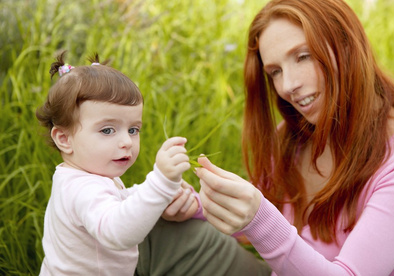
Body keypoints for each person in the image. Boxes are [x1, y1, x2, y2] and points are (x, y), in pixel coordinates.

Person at [196, 0, 394, 276]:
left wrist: (259, 219)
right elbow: (256, 226)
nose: (288, 85)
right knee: (166, 231)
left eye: (303, 56)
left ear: (346, 46)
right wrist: (195, 205)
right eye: (275, 72)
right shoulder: (294, 136)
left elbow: (269, 228)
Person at [36, 51, 271, 276]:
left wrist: (157, 194)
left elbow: (118, 203)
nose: (126, 141)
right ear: (64, 139)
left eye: (133, 129)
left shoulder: (82, 176)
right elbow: (117, 232)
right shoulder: (82, 188)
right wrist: (160, 183)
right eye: (107, 130)